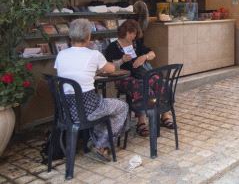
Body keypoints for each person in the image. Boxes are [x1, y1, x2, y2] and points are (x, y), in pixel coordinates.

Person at [54, 19, 128, 161]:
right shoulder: (94, 54)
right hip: (88, 109)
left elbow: (69, 74)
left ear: (71, 36)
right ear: (88, 37)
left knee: (104, 108)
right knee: (122, 106)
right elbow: (111, 68)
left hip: (66, 111)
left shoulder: (61, 55)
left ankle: (95, 139)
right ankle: (101, 144)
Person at [104, 19, 174, 137]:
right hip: (124, 78)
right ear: (123, 31)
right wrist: (122, 60)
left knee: (160, 82)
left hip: (141, 74)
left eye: (135, 33)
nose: (133, 36)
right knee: (141, 87)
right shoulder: (112, 47)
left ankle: (164, 114)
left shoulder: (137, 44)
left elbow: (152, 53)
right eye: (131, 33)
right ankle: (141, 121)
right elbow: (108, 67)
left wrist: (144, 57)